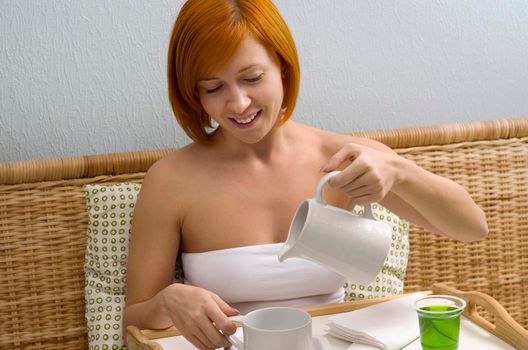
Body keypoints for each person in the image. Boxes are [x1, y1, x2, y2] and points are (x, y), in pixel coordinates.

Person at [123, 0, 488, 348]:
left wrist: (400, 172)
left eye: (251, 78)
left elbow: (472, 228)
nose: (238, 103)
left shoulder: (341, 159)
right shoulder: (171, 181)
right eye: (214, 88)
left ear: (282, 67)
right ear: (195, 94)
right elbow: (133, 323)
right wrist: (168, 301)